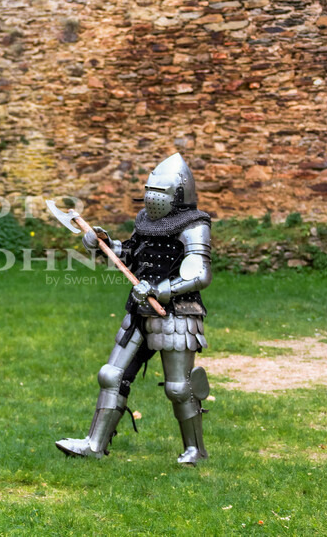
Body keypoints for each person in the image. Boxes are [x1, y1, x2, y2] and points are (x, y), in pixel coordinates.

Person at [55, 153, 213, 465]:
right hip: (139, 312)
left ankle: (195, 450)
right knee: (111, 375)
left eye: (160, 193)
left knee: (179, 388)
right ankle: (94, 444)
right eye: (149, 191)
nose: (152, 199)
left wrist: (159, 290)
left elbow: (199, 274)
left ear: (178, 197)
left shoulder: (194, 226)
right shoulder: (146, 221)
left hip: (177, 315)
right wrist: (102, 243)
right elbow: (131, 254)